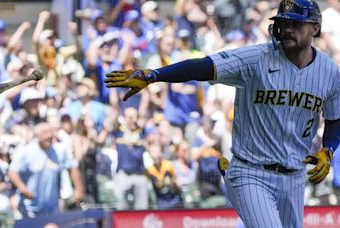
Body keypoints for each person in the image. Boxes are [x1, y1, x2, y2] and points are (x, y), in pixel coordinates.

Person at [105, 0, 340, 227]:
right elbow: (203, 66)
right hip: (252, 172)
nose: (288, 29)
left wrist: (327, 150)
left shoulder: (329, 71)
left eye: (296, 24)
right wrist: (154, 75)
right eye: (284, 23)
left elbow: (335, 117)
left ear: (315, 28)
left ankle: (231, 177)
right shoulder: (257, 58)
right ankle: (235, 177)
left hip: (294, 177)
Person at [8, 122, 84, 218]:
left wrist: (79, 189)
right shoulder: (26, 152)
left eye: (51, 133)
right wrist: (23, 188)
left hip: (52, 208)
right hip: (29, 209)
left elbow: (72, 167)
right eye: (45, 133)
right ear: (38, 136)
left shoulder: (58, 151)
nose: (49, 136)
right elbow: (12, 172)